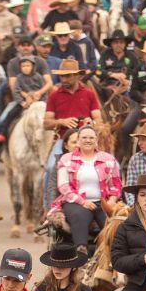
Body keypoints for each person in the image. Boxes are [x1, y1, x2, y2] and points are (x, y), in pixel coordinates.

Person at [33, 60, 103, 204]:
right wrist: (62, 122)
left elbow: (99, 120)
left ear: (77, 76)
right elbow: (46, 123)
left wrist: (92, 123)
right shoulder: (54, 95)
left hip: (87, 140)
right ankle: (49, 208)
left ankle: (108, 203)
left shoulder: (89, 94)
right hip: (62, 140)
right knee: (50, 168)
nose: (64, 79)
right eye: (62, 76)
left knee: (112, 165)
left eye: (68, 76)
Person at [51, 125, 122, 251]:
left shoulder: (108, 159)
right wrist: (82, 201)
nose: (87, 140)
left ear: (96, 141)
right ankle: (81, 250)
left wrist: (112, 200)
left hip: (103, 201)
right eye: (84, 137)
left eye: (91, 138)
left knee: (112, 221)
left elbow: (116, 184)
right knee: (79, 216)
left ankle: (112, 253)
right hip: (75, 202)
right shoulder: (66, 159)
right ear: (78, 141)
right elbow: (63, 186)